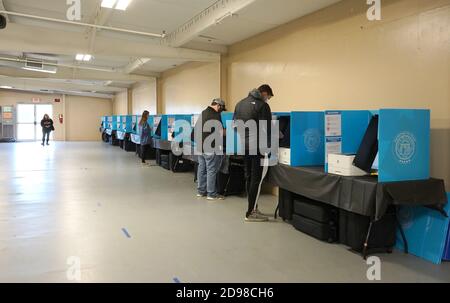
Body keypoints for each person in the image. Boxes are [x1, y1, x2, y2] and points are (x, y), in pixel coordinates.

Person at [233, 84, 274, 222]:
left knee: (249, 177)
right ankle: (250, 213)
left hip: (245, 146)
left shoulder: (239, 104)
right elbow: (268, 129)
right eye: (268, 96)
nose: (267, 99)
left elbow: (234, 126)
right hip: (257, 147)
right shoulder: (262, 106)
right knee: (256, 179)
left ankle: (253, 208)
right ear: (264, 93)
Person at [195, 98, 227, 201]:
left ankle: (201, 191)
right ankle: (211, 194)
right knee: (211, 170)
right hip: (211, 147)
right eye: (221, 109)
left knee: (202, 169)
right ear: (218, 106)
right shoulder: (215, 115)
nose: (221, 112)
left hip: (200, 146)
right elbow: (221, 132)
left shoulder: (203, 113)